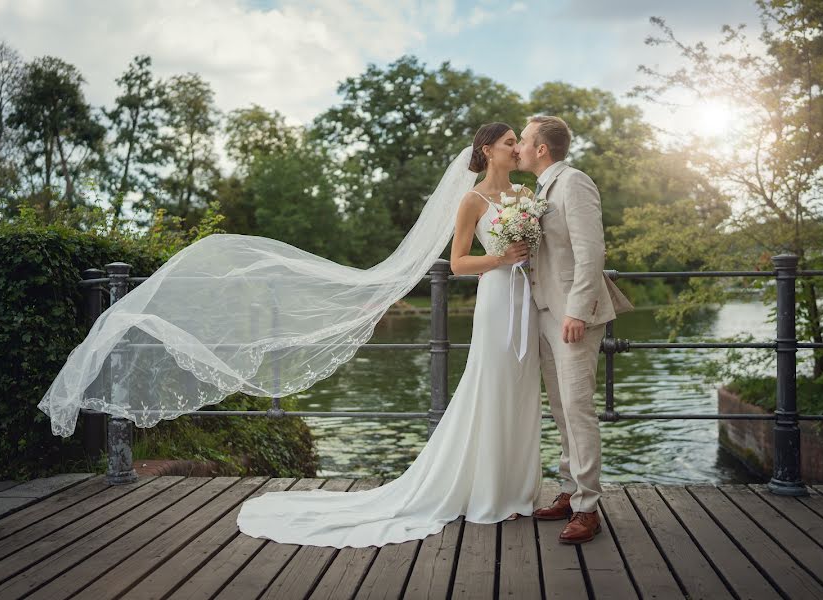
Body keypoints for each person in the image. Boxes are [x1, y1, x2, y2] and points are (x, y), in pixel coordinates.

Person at [235, 123, 545, 547]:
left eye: (517, 143)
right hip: (495, 299)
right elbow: (456, 263)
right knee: (491, 386)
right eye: (510, 142)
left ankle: (518, 493)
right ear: (487, 150)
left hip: (524, 298)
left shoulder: (528, 197)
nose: (516, 149)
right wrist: (499, 257)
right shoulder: (471, 200)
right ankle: (488, 493)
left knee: (524, 388)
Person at [515, 115, 634, 544]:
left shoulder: (574, 182)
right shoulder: (539, 190)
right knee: (562, 409)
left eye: (524, 140)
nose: (519, 147)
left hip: (571, 315)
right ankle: (569, 490)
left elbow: (591, 252)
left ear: (541, 148)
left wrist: (578, 311)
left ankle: (587, 508)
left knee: (578, 408)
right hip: (545, 311)